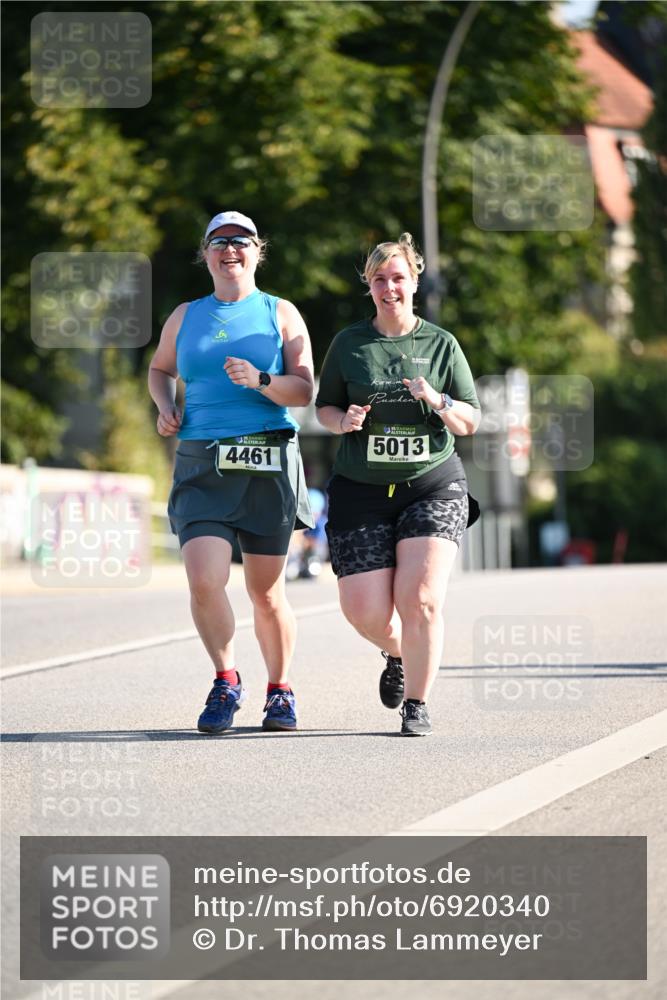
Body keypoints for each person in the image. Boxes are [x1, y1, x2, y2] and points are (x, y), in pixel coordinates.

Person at [148, 210, 314, 734]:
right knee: (204, 579)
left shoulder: (280, 313)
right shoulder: (185, 316)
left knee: (266, 593)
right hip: (201, 460)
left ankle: (280, 691)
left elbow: (305, 390)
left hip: (267, 460)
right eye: (218, 243)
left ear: (257, 251)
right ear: (206, 255)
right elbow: (159, 368)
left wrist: (262, 379)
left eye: (241, 241)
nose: (230, 250)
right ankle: (226, 679)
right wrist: (165, 404)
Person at [315, 233, 481, 737]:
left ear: (414, 282)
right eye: (380, 279)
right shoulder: (349, 344)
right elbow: (324, 406)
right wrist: (342, 421)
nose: (390, 287)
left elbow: (470, 419)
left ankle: (417, 704)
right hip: (360, 489)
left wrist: (439, 401)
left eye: (399, 278)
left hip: (431, 483)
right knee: (364, 611)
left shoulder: (441, 344)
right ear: (369, 286)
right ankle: (396, 651)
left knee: (422, 599)